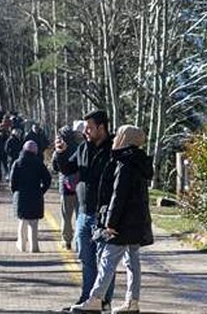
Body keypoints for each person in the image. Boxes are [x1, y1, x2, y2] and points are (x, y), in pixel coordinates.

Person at [70, 126, 154, 314]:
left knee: (107, 260)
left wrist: (110, 223)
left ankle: (96, 298)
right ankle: (132, 301)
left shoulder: (124, 164)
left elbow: (118, 196)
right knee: (133, 262)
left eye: (118, 136)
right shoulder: (138, 161)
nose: (114, 139)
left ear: (125, 139)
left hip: (122, 223)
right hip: (136, 222)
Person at [54, 110, 115, 311]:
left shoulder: (113, 149)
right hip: (84, 212)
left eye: (89, 128)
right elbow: (68, 169)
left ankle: (103, 300)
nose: (85, 132)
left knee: (103, 261)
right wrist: (61, 153)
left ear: (101, 127)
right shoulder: (83, 148)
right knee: (86, 259)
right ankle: (86, 298)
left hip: (104, 214)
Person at [10, 140, 52, 252]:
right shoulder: (39, 163)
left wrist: (15, 193)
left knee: (22, 221)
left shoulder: (17, 162)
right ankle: (34, 247)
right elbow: (47, 179)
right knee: (33, 223)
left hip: (21, 195)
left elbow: (12, 182)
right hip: (35, 195)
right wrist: (42, 190)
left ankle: (22, 245)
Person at [52, 124, 82, 250]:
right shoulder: (79, 146)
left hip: (65, 186)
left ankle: (67, 241)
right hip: (80, 186)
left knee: (66, 216)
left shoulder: (60, 148)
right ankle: (80, 241)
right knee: (80, 215)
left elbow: (55, 166)